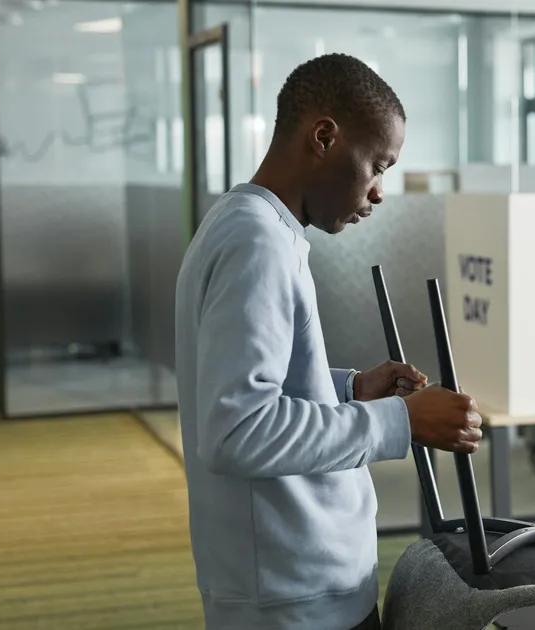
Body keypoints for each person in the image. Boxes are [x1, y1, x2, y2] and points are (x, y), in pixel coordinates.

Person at [174, 53, 484, 630]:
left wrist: (349, 390)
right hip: (293, 602)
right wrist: (401, 422)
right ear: (323, 137)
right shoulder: (256, 243)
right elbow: (237, 430)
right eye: (378, 165)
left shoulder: (252, 226)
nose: (379, 192)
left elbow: (245, 388)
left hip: (296, 584)